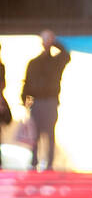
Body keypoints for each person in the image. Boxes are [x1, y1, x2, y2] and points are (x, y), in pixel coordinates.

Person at [21, 30, 70, 171]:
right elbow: (27, 86)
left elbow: (66, 55)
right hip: (36, 104)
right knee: (34, 135)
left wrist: (54, 42)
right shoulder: (33, 63)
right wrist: (27, 106)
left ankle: (49, 164)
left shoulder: (56, 62)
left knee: (49, 134)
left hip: (50, 102)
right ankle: (34, 162)